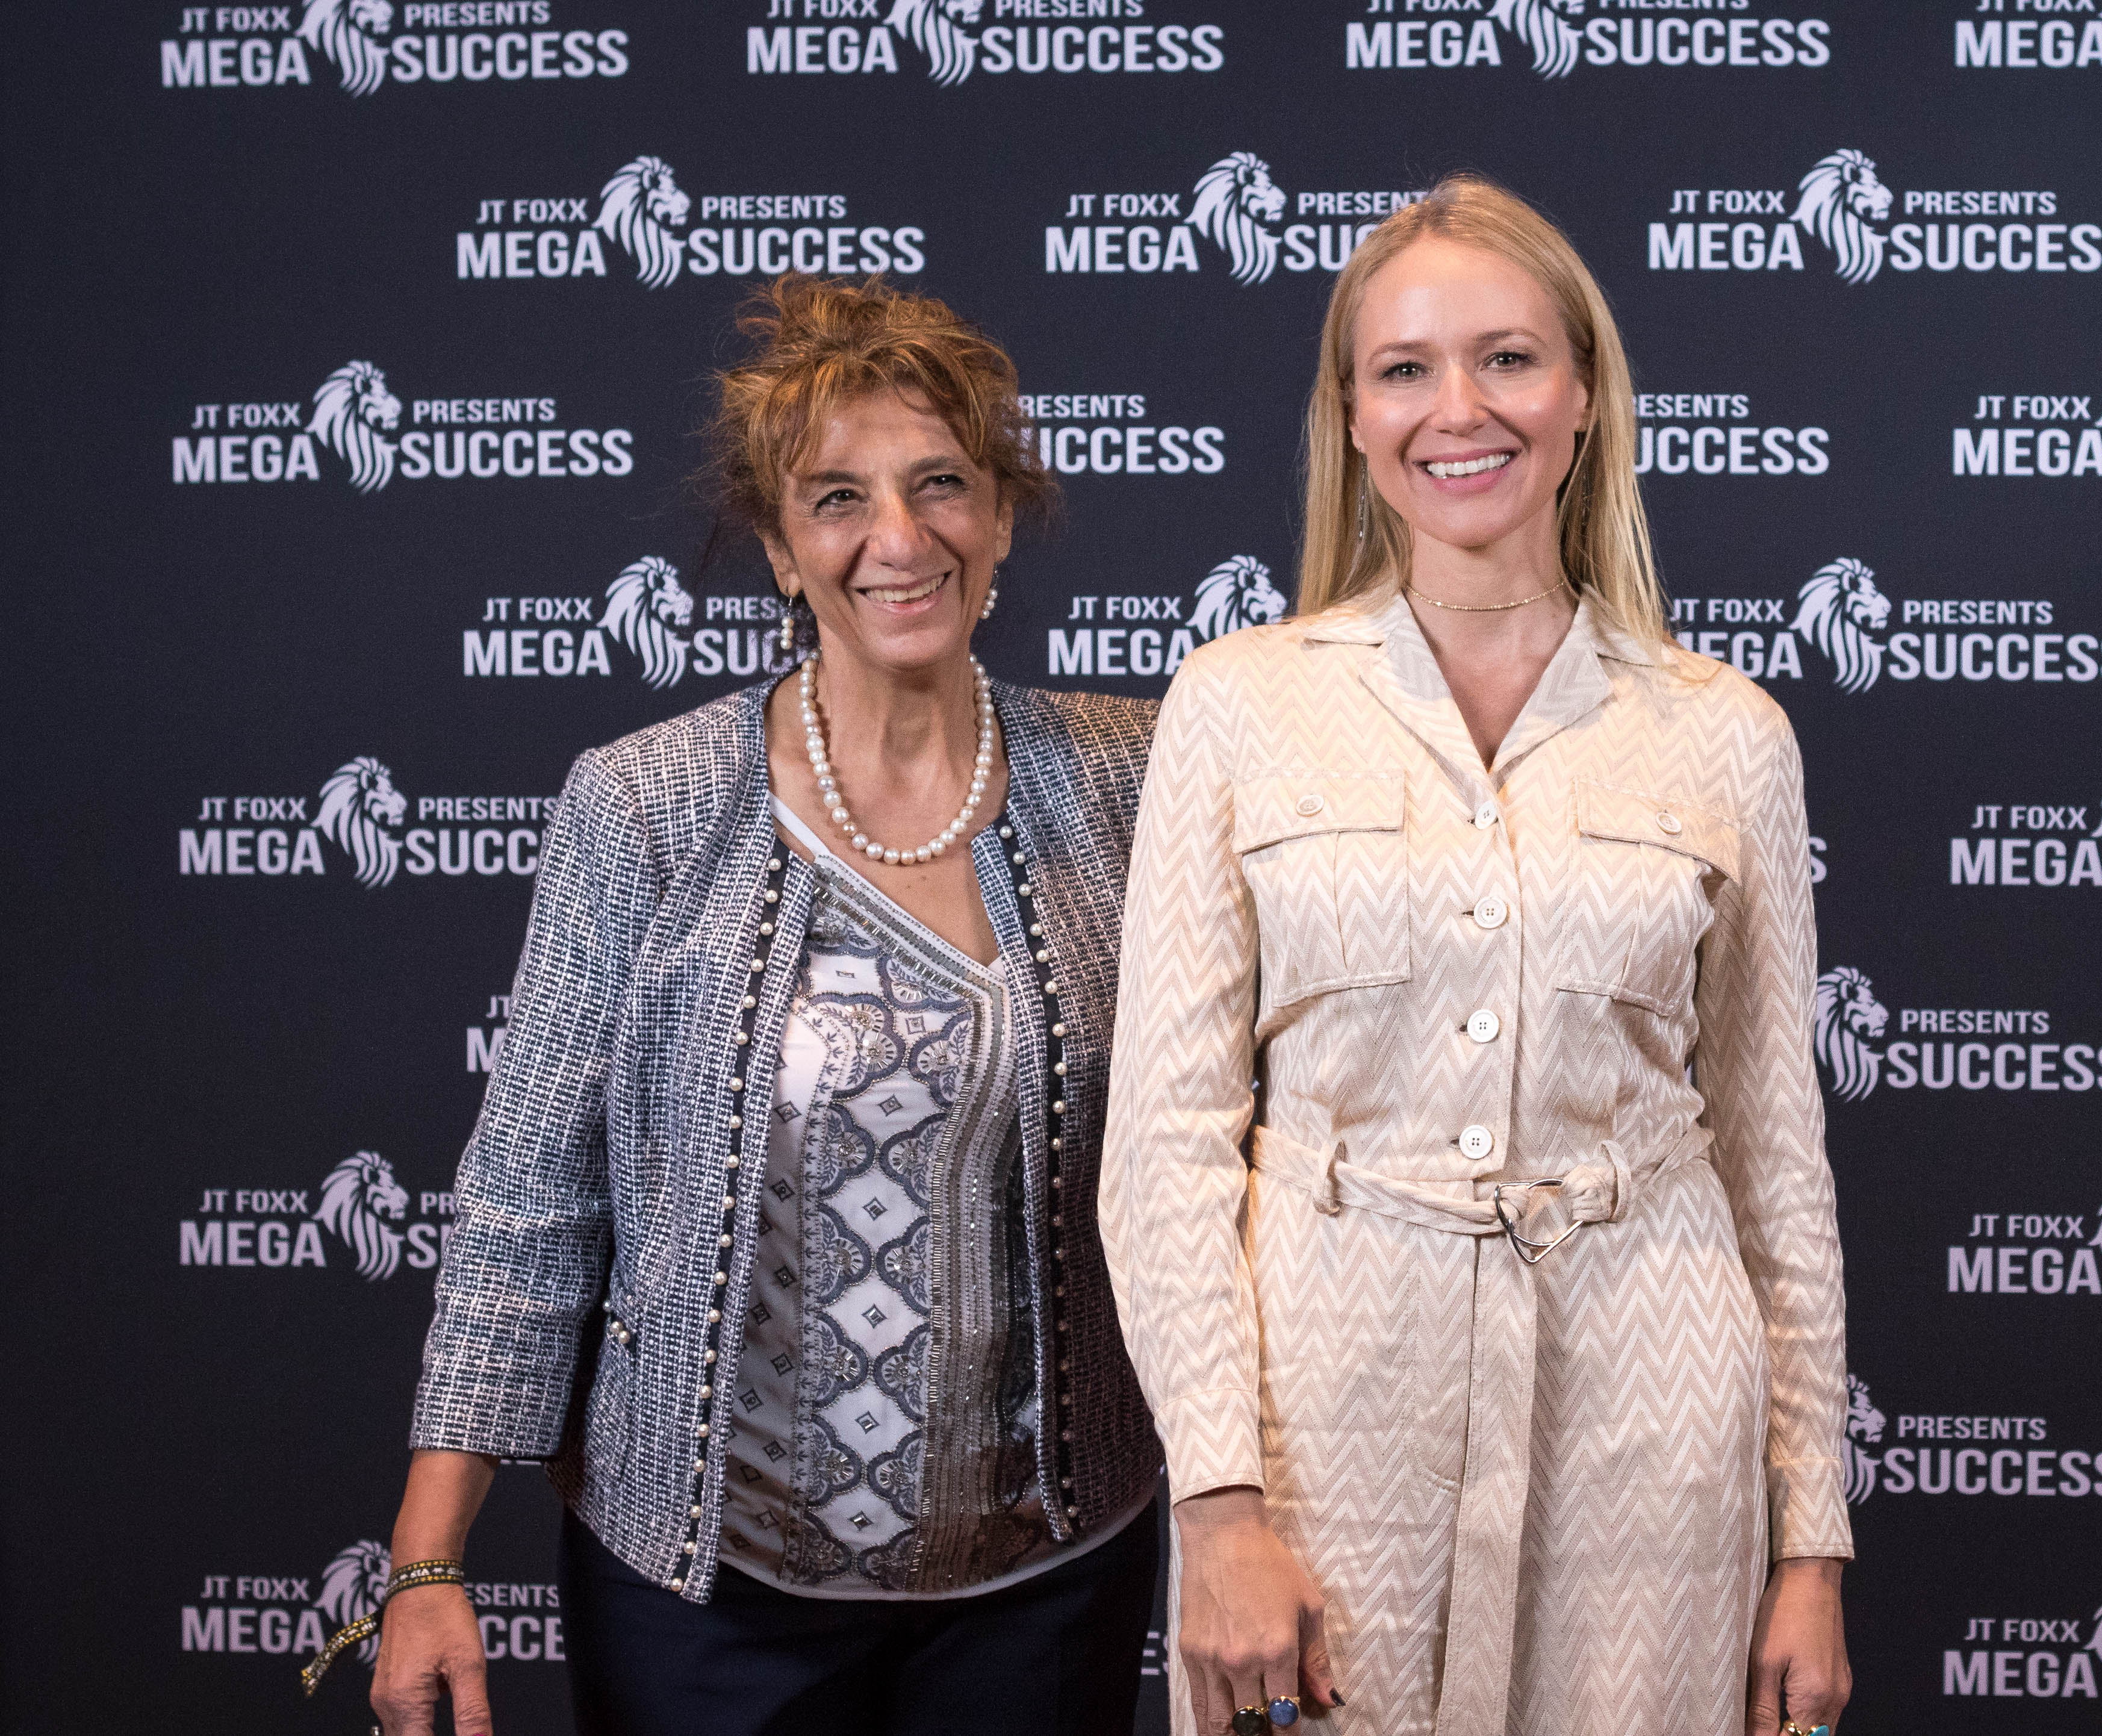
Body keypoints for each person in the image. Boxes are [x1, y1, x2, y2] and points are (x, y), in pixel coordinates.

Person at [358, 275, 1166, 1735]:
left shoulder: (1136, 776)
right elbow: (529, 1196)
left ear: (1001, 514)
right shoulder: (646, 802)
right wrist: (426, 1558)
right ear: (784, 550)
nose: (898, 538)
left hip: (1047, 1586)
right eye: (838, 498)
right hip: (704, 1602)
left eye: (941, 483)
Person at [1102, 175, 1853, 1736]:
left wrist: (1809, 1545)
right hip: (1326, 1437)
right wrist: (1219, 1505)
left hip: (1650, 1441)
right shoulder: (1236, 705)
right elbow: (1164, 1148)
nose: (1459, 409)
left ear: (1583, 398)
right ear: (1352, 416)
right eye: (1405, 368)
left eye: (1507, 358)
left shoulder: (1728, 733)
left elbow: (1773, 1164)